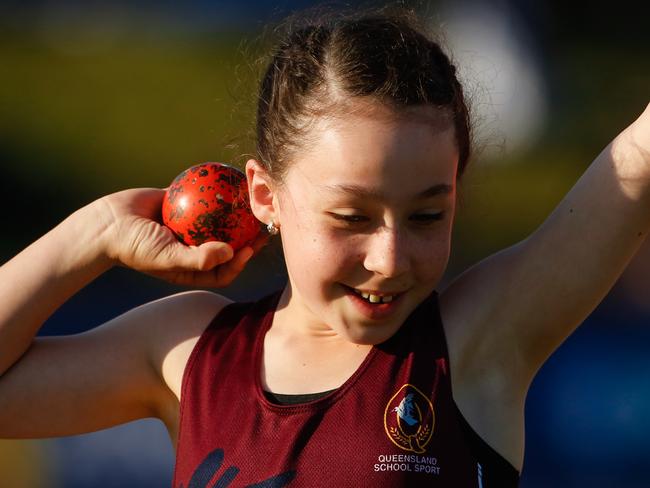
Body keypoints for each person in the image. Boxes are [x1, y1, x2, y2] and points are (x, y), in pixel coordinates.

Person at [0, 6, 648, 487]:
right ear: (264, 196)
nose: (391, 259)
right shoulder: (190, 353)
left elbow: (638, 161)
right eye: (350, 217)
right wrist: (90, 234)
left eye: (427, 215)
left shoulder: (479, 342)